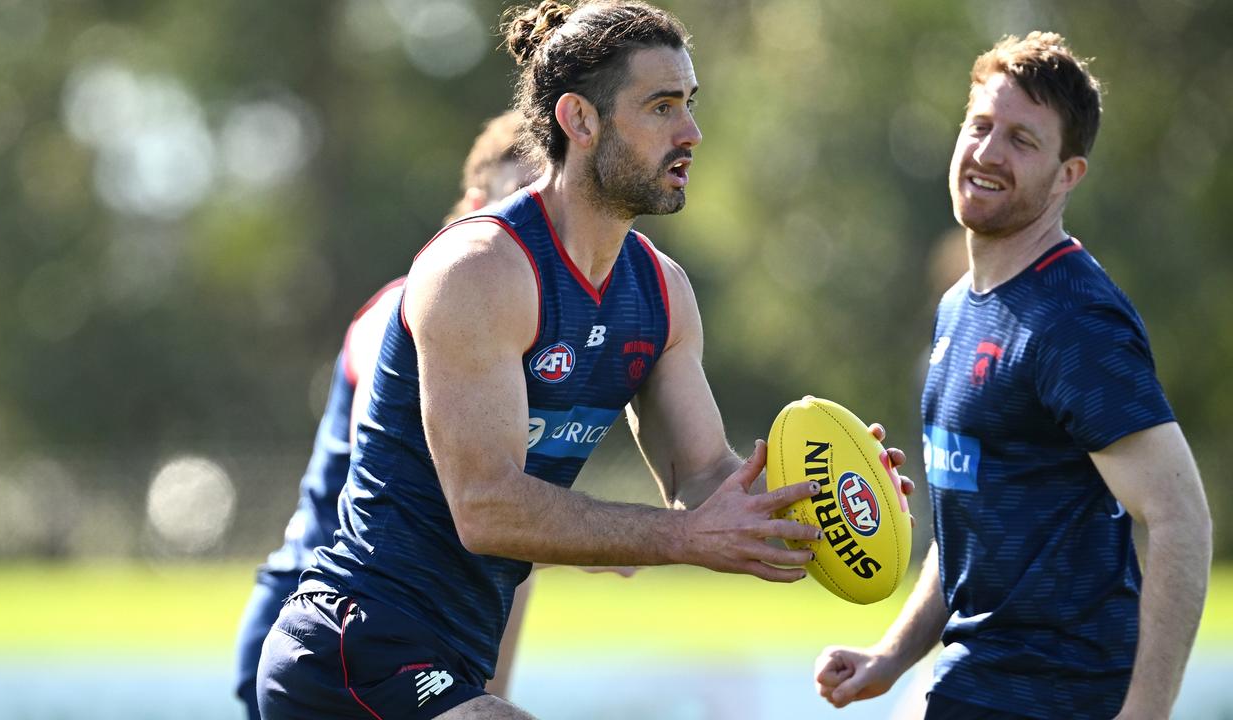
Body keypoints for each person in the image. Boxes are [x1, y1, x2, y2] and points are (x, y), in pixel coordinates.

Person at [258, 2, 910, 719]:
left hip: (455, 658)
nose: (690, 132)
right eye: (661, 107)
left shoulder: (662, 294)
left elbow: (702, 478)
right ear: (579, 120)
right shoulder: (479, 271)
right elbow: (486, 507)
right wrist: (687, 539)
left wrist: (830, 499)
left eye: (689, 105)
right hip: (354, 648)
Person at [814, 32, 1211, 719]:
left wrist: (1146, 712)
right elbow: (967, 533)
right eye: (980, 126)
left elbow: (1181, 517)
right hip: (971, 684)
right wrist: (892, 656)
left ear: (1067, 175)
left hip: (1058, 698)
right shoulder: (958, 308)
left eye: (1023, 141)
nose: (989, 153)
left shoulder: (1074, 320)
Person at [233, 111, 538, 720]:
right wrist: (620, 533)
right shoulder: (402, 311)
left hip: (415, 646)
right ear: (477, 203)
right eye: (522, 200)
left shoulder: (529, 340)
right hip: (325, 631)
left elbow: (510, 555)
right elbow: (426, 488)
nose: (540, 227)